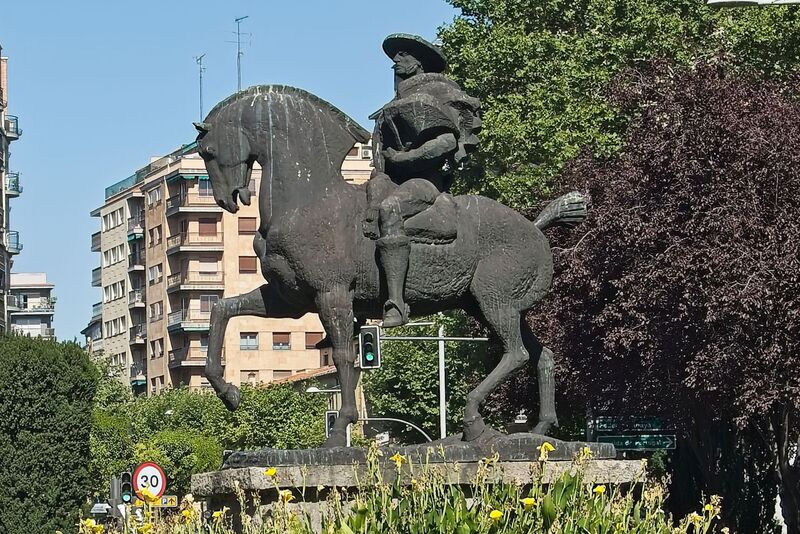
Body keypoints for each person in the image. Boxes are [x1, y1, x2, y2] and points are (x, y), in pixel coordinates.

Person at [367, 34, 482, 327]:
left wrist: (405, 158)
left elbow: (445, 141)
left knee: (390, 208)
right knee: (360, 208)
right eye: (396, 57)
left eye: (402, 55)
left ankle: (395, 304)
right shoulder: (393, 102)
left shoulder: (437, 91)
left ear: (418, 62)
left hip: (424, 181)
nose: (396, 61)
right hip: (389, 178)